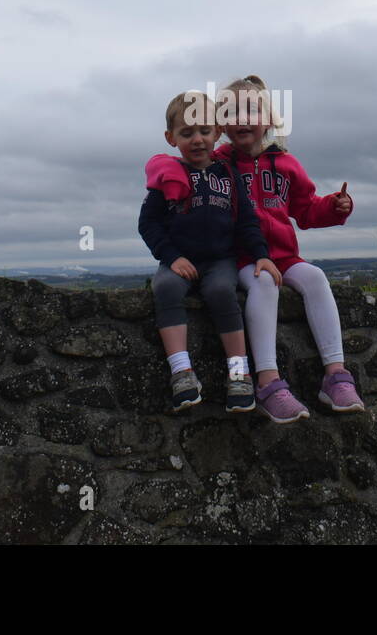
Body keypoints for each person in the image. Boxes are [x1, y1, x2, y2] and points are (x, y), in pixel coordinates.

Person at [213, 75, 365, 423]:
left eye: (251, 111)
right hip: (240, 259)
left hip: (284, 255)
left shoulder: (286, 163)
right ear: (222, 125)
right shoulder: (217, 165)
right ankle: (268, 382)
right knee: (266, 283)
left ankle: (336, 375)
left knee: (314, 277)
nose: (242, 120)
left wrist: (336, 206)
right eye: (232, 113)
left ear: (268, 119)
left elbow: (307, 210)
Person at [137, 90, 282, 413]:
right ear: (171, 138)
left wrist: (261, 254)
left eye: (205, 131)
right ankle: (182, 372)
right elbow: (149, 224)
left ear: (217, 133)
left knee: (220, 292)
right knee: (166, 288)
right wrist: (172, 257)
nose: (198, 140)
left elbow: (246, 221)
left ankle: (238, 374)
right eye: (187, 133)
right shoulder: (167, 179)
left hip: (220, 261)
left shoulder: (227, 176)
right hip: (179, 260)